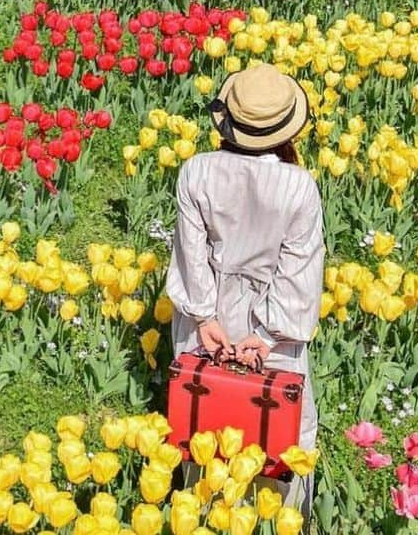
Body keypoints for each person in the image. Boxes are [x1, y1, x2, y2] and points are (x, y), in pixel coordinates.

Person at [166, 61, 324, 511]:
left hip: (209, 307)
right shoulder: (298, 186)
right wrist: (269, 334)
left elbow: (190, 254)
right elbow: (299, 269)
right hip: (272, 314)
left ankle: (200, 507)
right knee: (278, 423)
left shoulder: (196, 171)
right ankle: (278, 512)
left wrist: (203, 316)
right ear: (286, 130)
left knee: (203, 414)